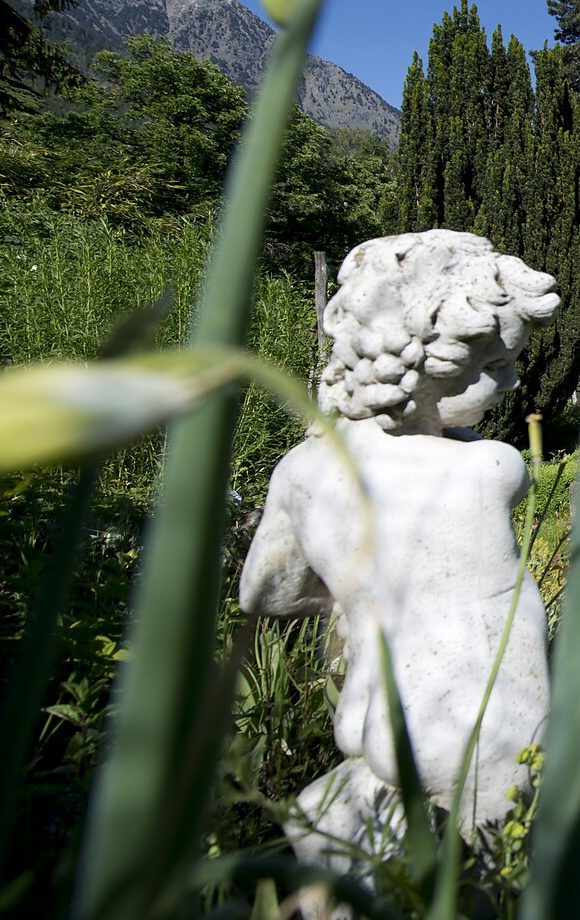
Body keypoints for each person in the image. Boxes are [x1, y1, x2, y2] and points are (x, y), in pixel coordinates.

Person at [240, 230, 560, 889]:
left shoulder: (300, 472)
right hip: (483, 734)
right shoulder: (489, 467)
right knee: (499, 888)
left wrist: (362, 587)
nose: (510, 380)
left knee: (369, 869)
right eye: (493, 364)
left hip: (372, 716)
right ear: (428, 368)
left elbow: (266, 593)